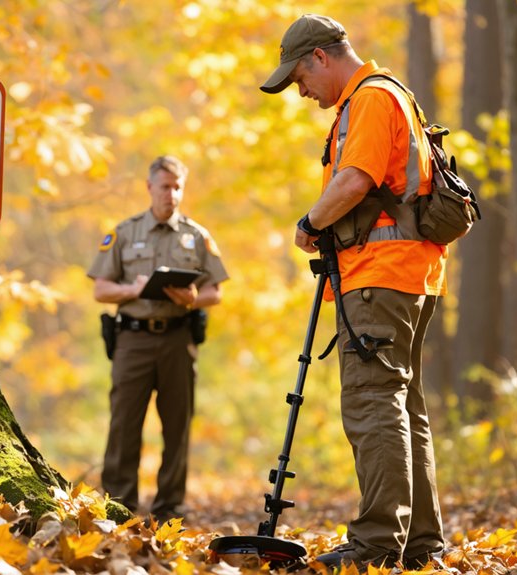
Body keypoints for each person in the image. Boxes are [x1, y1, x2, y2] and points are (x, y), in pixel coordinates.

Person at [260, 14, 447, 570]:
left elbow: (355, 178)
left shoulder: (368, 99)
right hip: (409, 274)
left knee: (372, 404)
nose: (302, 93)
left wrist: (310, 223)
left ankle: (375, 544)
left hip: (380, 277)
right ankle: (419, 545)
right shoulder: (392, 95)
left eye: (299, 79)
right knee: (403, 408)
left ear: (320, 56)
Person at [88, 155, 229, 522]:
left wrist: (196, 299)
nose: (172, 194)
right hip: (132, 341)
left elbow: (216, 292)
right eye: (165, 187)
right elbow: (101, 290)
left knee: (177, 426)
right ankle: (119, 506)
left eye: (177, 187)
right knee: (124, 424)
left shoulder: (197, 236)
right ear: (149, 187)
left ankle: (170, 508)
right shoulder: (124, 232)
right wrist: (132, 290)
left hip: (178, 340)